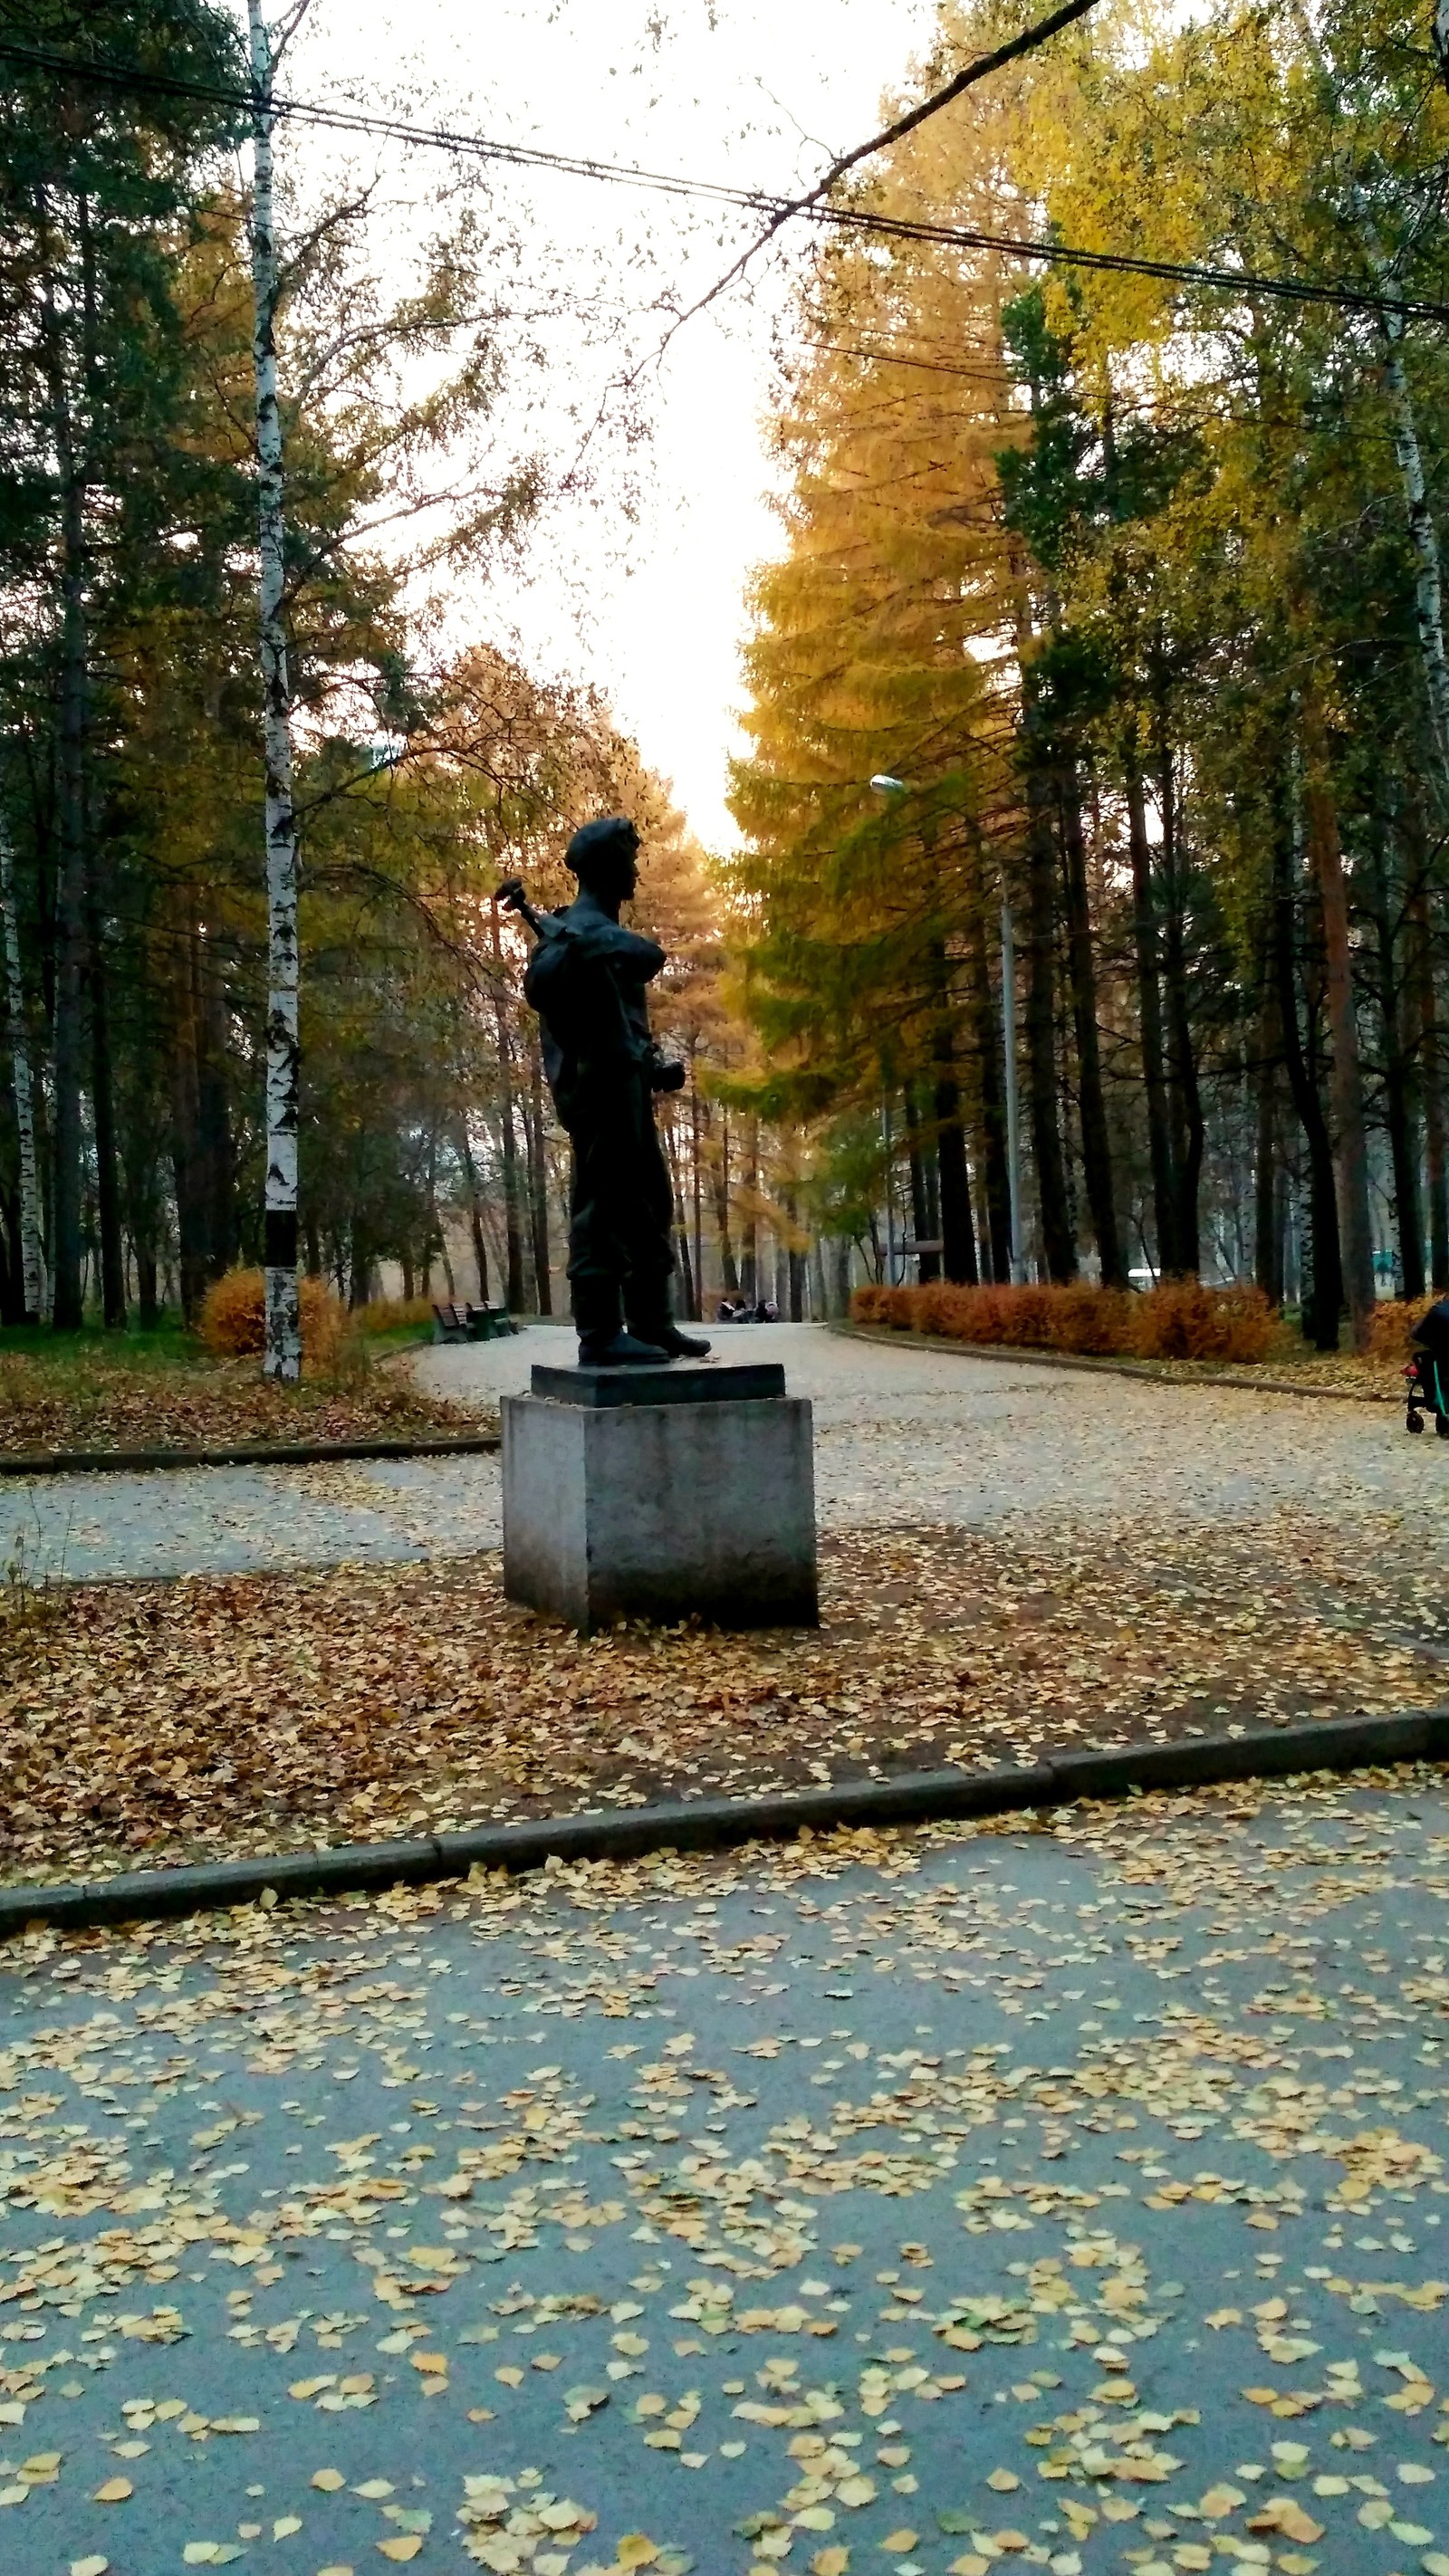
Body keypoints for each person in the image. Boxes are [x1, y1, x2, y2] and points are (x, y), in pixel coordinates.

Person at [499, 818, 711, 1368]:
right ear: (606, 868)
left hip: (628, 1083)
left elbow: (626, 1007)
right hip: (596, 1089)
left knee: (650, 1203)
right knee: (604, 1202)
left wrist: (652, 1067)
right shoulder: (567, 934)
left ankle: (651, 1322)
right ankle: (598, 1330)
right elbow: (543, 989)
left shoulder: (587, 933)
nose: (636, 870)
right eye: (628, 860)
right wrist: (588, 948)